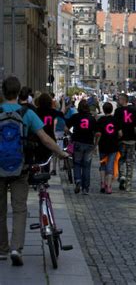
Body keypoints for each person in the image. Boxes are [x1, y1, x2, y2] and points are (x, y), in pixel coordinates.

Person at [0, 77, 67, 266]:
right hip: (20, 167)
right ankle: (16, 248)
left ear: (3, 92)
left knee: (0, 210)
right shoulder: (27, 113)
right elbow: (45, 138)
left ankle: (2, 249)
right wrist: (60, 152)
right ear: (20, 91)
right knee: (20, 208)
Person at [67, 100, 98, 195]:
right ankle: (85, 188)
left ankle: (78, 180)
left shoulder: (75, 117)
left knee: (76, 163)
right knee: (87, 166)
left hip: (77, 142)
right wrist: (95, 145)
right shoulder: (92, 119)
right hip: (89, 143)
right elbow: (96, 133)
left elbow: (66, 127)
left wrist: (70, 135)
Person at [114, 93, 136, 192]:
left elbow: (115, 124)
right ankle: (128, 184)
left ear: (123, 100)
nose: (118, 101)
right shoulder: (133, 111)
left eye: (119, 99)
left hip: (122, 140)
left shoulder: (118, 111)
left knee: (121, 160)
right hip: (131, 139)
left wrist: (119, 132)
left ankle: (122, 176)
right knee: (130, 162)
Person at [35, 93, 64, 172]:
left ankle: (38, 174)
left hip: (38, 138)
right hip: (50, 138)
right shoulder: (52, 111)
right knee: (47, 160)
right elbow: (62, 113)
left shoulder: (36, 111)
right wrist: (63, 102)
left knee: (38, 160)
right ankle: (45, 177)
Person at [95, 102, 119, 194]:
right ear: (112, 109)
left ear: (103, 110)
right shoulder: (115, 120)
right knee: (110, 166)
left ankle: (102, 183)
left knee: (102, 165)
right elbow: (120, 133)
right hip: (113, 146)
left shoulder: (101, 120)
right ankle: (108, 186)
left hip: (103, 145)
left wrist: (95, 145)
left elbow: (98, 134)